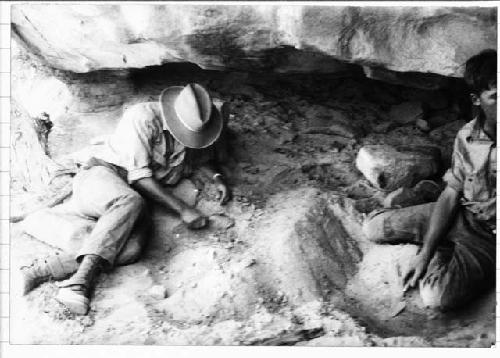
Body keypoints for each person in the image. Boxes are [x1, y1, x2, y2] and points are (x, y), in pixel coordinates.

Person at [20, 83, 232, 315]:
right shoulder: (143, 118)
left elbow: (200, 159)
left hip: (133, 202)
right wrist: (182, 210)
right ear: (174, 116)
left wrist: (217, 177)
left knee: (131, 250)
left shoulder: (198, 126)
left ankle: (42, 269)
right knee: (130, 201)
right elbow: (139, 177)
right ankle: (80, 282)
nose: (191, 138)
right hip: (101, 177)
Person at [362, 50, 496, 311]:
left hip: (490, 238)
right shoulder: (468, 136)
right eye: (496, 97)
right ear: (476, 99)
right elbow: (451, 194)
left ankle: (444, 250)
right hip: (463, 214)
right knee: (373, 228)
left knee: (436, 298)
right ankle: (434, 239)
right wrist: (424, 254)